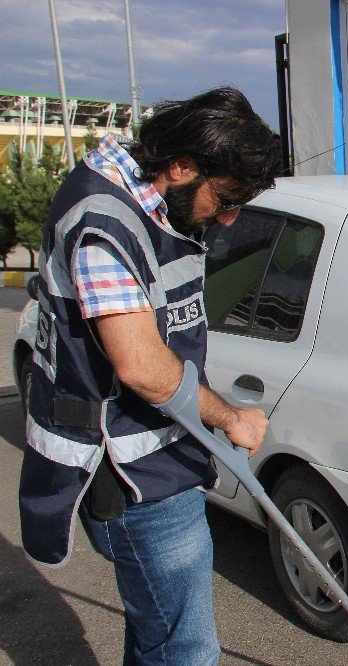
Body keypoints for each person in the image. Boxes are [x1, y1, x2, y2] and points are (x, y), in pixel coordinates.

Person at [19, 87, 282, 664]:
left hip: (161, 457)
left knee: (156, 633)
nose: (229, 217)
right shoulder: (104, 223)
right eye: (226, 198)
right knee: (186, 651)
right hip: (133, 476)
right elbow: (140, 365)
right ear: (181, 165)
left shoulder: (154, 205)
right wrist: (230, 416)